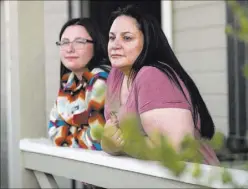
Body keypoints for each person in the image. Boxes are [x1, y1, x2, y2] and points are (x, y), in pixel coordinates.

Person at [101, 5, 219, 165]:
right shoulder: (116, 75)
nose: (115, 44)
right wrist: (109, 141)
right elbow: (113, 130)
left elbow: (176, 149)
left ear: (147, 40)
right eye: (112, 37)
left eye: (127, 38)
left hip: (191, 179)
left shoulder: (153, 75)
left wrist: (118, 146)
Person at [48, 18, 110, 151]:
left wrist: (69, 131)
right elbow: (53, 130)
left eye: (79, 42)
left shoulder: (100, 81)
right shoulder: (68, 82)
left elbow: (98, 138)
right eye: (65, 43)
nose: (70, 49)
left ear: (96, 45)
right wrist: (82, 129)